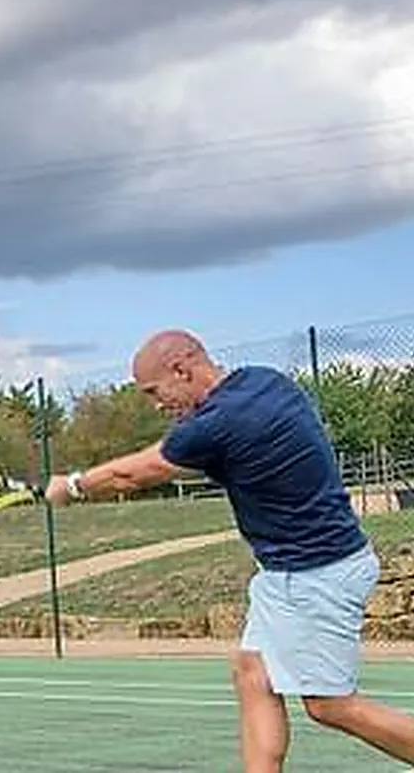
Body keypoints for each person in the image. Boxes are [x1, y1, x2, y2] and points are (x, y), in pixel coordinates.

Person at [44, 328, 414, 771]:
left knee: (329, 706)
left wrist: (72, 485)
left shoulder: (215, 424)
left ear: (181, 370)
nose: (156, 405)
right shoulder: (266, 381)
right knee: (252, 674)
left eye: (154, 392)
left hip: (315, 574)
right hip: (292, 572)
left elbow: (135, 474)